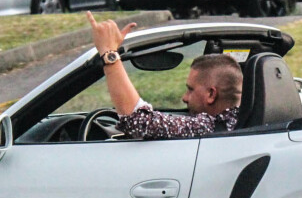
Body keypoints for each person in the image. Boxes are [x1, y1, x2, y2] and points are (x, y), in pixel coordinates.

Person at [87, 12, 242, 139]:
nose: (184, 98)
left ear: (211, 94)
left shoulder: (210, 128)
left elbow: (138, 122)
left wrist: (109, 54)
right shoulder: (244, 121)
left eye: (190, 89)